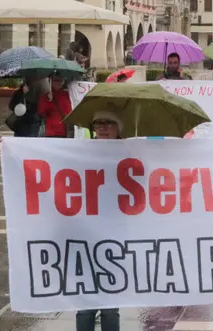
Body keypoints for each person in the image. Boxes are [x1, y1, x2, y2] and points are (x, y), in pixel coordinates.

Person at [75, 109, 122, 331]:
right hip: (86, 234)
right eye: (98, 123)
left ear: (118, 127)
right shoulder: (79, 153)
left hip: (116, 236)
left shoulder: (129, 153)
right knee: (85, 303)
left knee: (111, 304)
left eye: (108, 122)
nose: (102, 127)